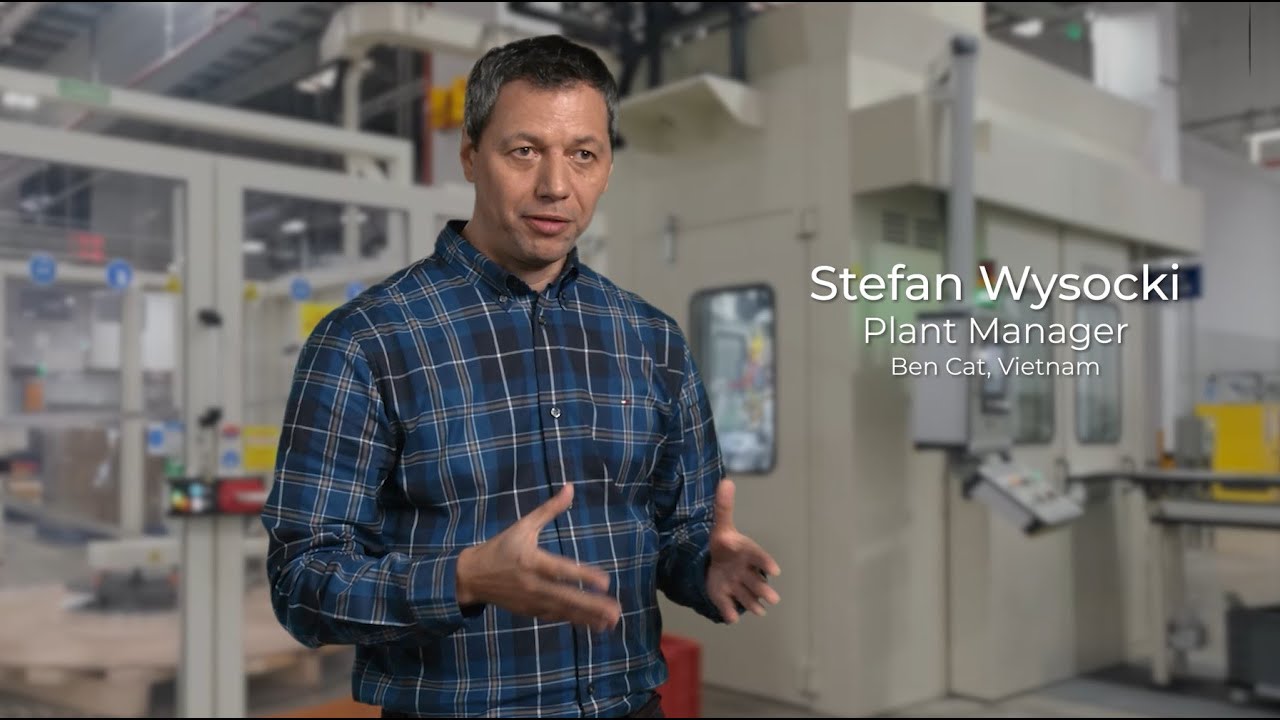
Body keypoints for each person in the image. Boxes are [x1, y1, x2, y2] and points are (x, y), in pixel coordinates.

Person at [260, 34, 781, 719]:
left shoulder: (652, 340)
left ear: (607, 166)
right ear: (471, 155)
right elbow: (301, 581)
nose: (556, 186)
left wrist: (705, 567)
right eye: (525, 150)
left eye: (583, 154)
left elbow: (676, 531)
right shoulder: (367, 341)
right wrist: (462, 580)